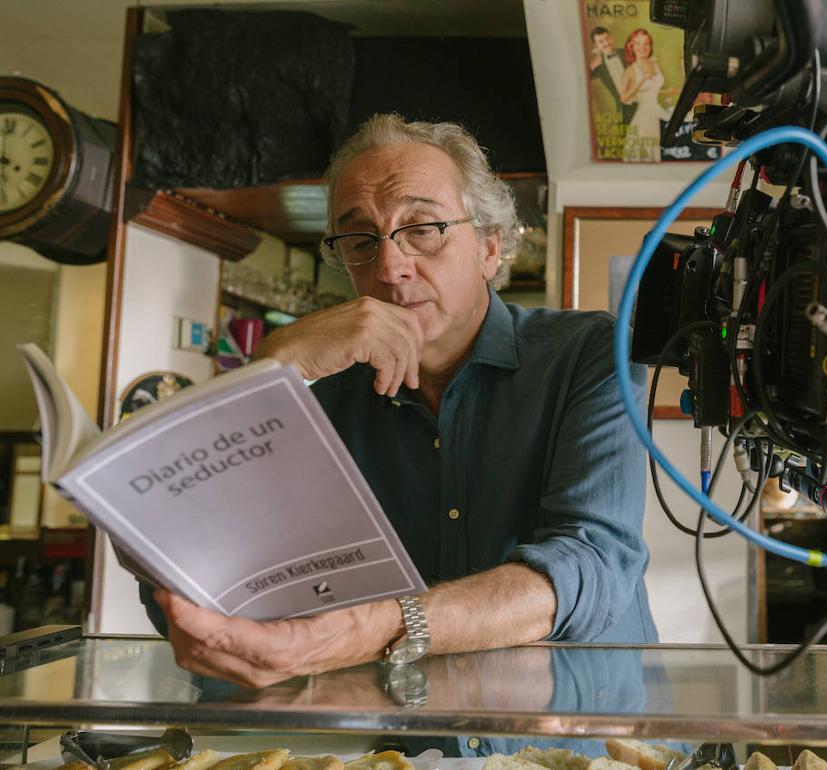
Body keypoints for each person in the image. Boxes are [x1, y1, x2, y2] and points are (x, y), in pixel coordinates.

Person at [139, 114, 658, 692]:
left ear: (490, 248)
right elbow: (193, 576)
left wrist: (382, 626)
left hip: (581, 734)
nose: (389, 267)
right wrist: (272, 367)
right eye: (360, 239)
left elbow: (594, 564)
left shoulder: (588, 354)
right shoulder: (314, 396)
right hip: (399, 740)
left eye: (422, 227)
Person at [618, 29, 669, 163]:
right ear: (632, 46)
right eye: (638, 44)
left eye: (646, 43)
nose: (643, 47)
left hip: (656, 116)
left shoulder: (654, 64)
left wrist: (669, 92)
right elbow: (623, 98)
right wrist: (641, 81)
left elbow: (653, 90)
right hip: (643, 119)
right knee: (643, 157)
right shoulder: (630, 70)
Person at [588, 26, 637, 126]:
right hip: (623, 107)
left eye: (607, 38)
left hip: (641, 100)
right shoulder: (599, 65)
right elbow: (581, 80)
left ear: (611, 38)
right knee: (626, 137)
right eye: (601, 41)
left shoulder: (626, 53)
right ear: (596, 45)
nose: (606, 43)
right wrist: (592, 65)